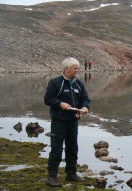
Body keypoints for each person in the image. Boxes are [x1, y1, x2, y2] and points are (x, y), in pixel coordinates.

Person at [44, 57, 90, 187]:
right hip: (59, 121)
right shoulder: (55, 83)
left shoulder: (78, 84)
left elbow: (85, 99)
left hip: (73, 121)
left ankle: (71, 173)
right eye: (75, 68)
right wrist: (60, 104)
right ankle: (52, 177)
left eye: (77, 68)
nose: (77, 70)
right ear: (67, 68)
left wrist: (85, 107)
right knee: (56, 148)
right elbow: (48, 99)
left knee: (72, 148)